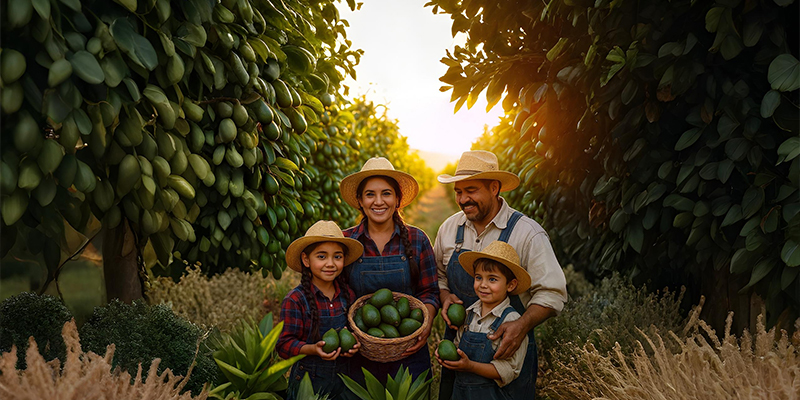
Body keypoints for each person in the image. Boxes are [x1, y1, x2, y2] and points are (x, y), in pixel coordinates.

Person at [434, 150, 568, 399]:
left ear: (494, 188)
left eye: (471, 190)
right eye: (458, 192)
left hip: (506, 351)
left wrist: (521, 325)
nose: (463, 199)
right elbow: (440, 275)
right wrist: (444, 296)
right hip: (458, 349)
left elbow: (553, 292)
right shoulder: (449, 229)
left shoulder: (527, 233)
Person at [340, 157, 440, 381]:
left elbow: (430, 291)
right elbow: (337, 292)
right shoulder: (346, 242)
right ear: (359, 200)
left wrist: (425, 323)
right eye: (370, 194)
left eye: (386, 193)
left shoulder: (417, 239)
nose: (378, 201)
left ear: (397, 198)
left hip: (408, 349)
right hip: (359, 350)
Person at [277, 220, 364, 400]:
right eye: (322, 256)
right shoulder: (296, 300)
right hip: (309, 384)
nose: (330, 263)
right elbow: (283, 346)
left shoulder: (348, 295)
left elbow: (354, 330)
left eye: (337, 257)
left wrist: (354, 343)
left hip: (345, 383)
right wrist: (312, 349)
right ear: (306, 260)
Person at [435, 241, 532, 400]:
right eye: (478, 277)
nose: (483, 285)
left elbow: (509, 370)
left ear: (510, 285)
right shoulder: (469, 314)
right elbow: (458, 346)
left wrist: (470, 366)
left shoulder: (512, 322)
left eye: (492, 279)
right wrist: (447, 353)